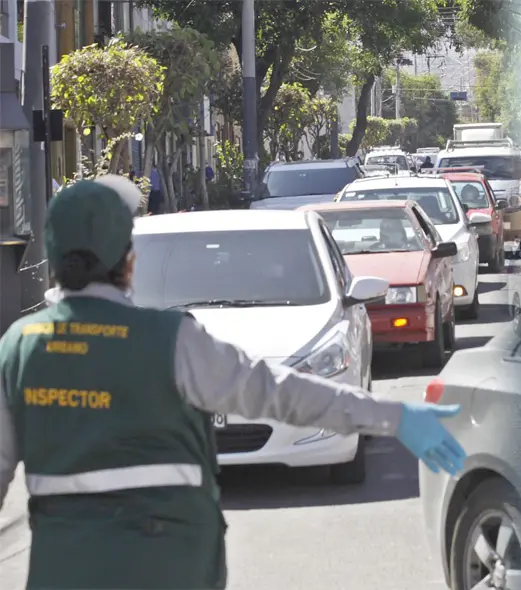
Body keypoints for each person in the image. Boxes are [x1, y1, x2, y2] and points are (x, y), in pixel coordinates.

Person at [0, 176, 466, 589]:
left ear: (53, 258)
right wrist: (393, 416)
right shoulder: (171, 340)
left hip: (63, 568)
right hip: (169, 564)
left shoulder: (20, 347)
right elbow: (279, 392)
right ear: (128, 261)